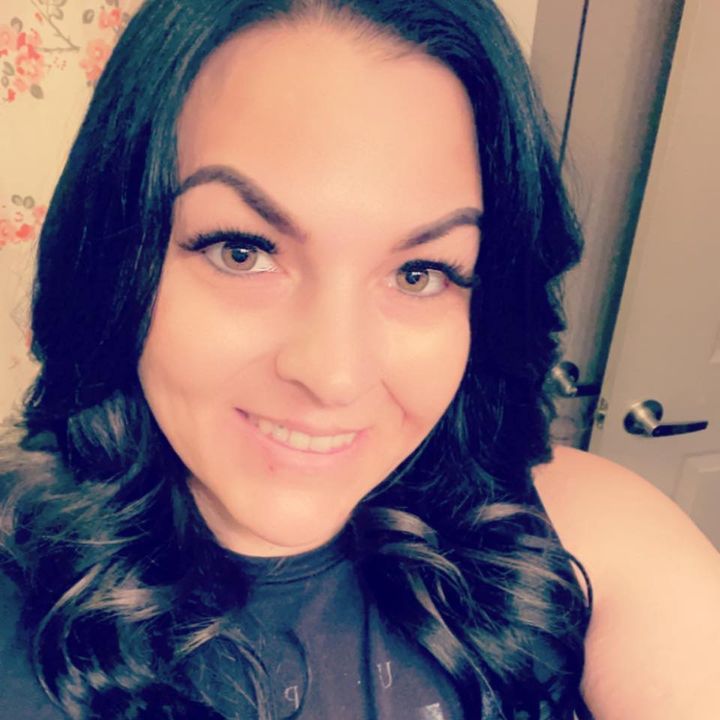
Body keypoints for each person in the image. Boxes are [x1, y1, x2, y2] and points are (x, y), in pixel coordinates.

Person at [1, 0, 718, 718]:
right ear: (117, 261)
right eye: (242, 251)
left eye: (419, 273)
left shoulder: (593, 536)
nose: (334, 376)